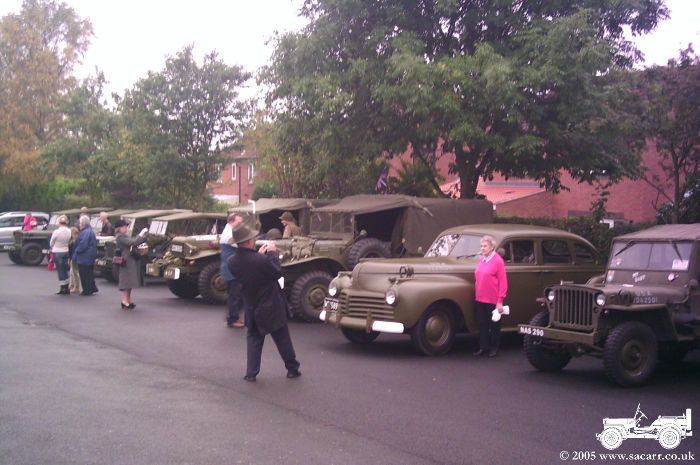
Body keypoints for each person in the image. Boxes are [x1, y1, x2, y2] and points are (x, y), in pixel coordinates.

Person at [227, 223, 301, 382]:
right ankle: (292, 369)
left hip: (251, 305)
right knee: (282, 339)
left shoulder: (232, 261)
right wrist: (272, 253)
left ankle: (251, 373)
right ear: (249, 241)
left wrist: (259, 255)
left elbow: (251, 266)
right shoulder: (260, 260)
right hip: (271, 304)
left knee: (254, 339)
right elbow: (276, 272)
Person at [473, 235, 508, 357]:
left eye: (485, 246)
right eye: (481, 246)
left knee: (494, 325)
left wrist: (500, 300)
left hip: (492, 299)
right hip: (480, 298)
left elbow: (503, 281)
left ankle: (494, 348)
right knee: (482, 324)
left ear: (492, 247)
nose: (482, 248)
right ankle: (483, 347)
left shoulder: (498, 261)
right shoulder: (481, 260)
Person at [114, 219, 148, 309]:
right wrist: (140, 235)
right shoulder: (120, 237)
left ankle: (128, 300)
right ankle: (124, 301)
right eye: (124, 226)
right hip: (126, 260)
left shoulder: (124, 236)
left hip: (130, 259)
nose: (126, 228)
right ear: (119, 228)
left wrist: (143, 237)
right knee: (126, 281)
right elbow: (133, 242)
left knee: (130, 282)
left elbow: (134, 241)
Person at [220, 214, 246, 327]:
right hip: (232, 269)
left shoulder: (229, 232)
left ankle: (234, 317)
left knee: (237, 295)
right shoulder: (229, 235)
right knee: (234, 295)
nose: (241, 224)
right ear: (232, 221)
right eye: (239, 221)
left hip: (232, 268)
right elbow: (241, 245)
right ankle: (232, 319)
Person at [72, 215, 98, 296]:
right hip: (89, 256)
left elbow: (83, 244)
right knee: (89, 273)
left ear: (83, 224)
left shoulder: (85, 232)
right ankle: (92, 288)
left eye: (80, 223)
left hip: (84, 256)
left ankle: (87, 290)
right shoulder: (89, 231)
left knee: (84, 274)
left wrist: (76, 251)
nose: (79, 225)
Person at [49, 215, 72, 295]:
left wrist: (52, 247)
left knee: (60, 270)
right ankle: (67, 286)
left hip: (58, 251)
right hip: (66, 250)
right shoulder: (69, 231)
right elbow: (69, 241)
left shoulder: (56, 232)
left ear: (59, 222)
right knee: (65, 270)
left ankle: (63, 287)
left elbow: (51, 242)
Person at [68, 226, 81, 293]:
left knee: (75, 273)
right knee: (71, 272)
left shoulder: (75, 241)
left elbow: (72, 251)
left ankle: (76, 286)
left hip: (74, 258)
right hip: (74, 257)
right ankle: (72, 285)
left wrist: (70, 258)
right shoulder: (77, 240)